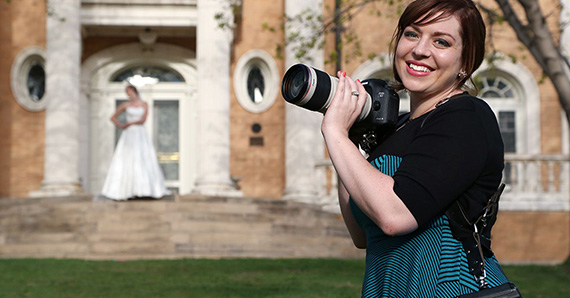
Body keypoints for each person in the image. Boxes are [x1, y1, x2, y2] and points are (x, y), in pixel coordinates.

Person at [321, 0, 513, 296]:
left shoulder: (466, 116)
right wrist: (348, 138)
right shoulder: (395, 127)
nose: (420, 50)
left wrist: (333, 131)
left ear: (466, 60)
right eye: (412, 34)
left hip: (448, 288)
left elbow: (394, 216)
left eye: (441, 41)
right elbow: (362, 234)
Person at [101, 85, 171, 201]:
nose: (128, 94)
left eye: (129, 91)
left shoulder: (144, 104)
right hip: (128, 134)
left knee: (142, 158)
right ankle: (126, 189)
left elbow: (143, 119)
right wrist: (122, 125)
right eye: (126, 92)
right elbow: (112, 117)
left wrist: (130, 124)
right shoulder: (125, 105)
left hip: (140, 133)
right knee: (127, 159)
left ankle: (145, 189)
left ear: (134, 91)